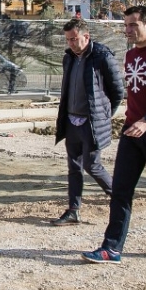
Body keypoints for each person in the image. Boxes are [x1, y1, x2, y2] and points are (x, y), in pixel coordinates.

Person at [82, 5, 146, 264]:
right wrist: (132, 121)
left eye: (132, 25)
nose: (127, 30)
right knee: (121, 190)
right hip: (132, 131)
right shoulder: (130, 56)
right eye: (125, 25)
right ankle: (112, 248)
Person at [52, 18, 124, 226]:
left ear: (86, 36)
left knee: (92, 165)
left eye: (74, 39)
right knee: (74, 167)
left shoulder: (102, 56)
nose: (71, 43)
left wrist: (104, 114)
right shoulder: (69, 58)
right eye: (68, 40)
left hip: (91, 123)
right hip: (71, 121)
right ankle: (73, 209)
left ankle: (120, 199)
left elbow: (117, 91)